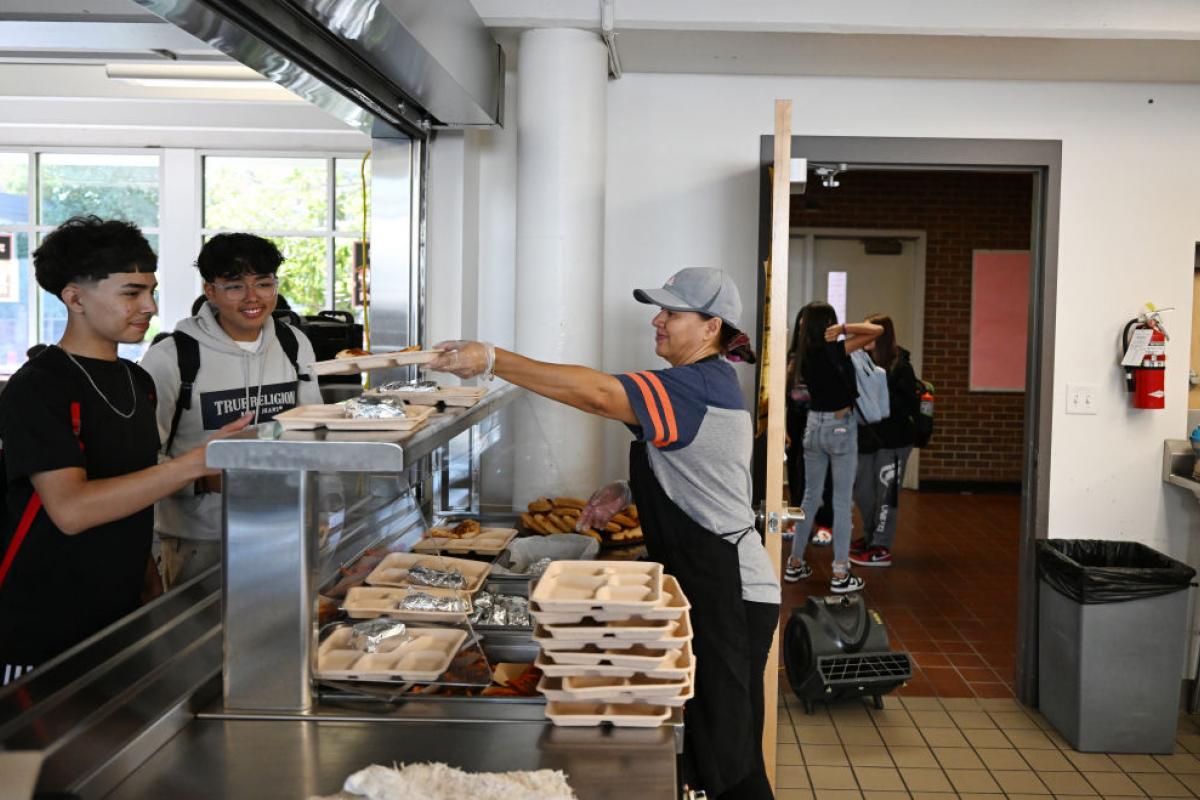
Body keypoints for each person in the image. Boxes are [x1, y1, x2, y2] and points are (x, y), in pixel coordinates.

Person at [428, 268, 780, 800]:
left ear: (711, 328)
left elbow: (596, 394)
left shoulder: (695, 385)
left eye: (672, 313)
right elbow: (703, 469)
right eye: (658, 310)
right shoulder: (700, 384)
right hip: (707, 585)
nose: (657, 321)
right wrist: (628, 490)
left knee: (730, 761)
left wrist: (494, 360)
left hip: (730, 591)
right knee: (709, 751)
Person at [0, 216, 248, 682]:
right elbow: (71, 510)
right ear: (74, 297)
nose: (150, 306)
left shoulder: (137, 381)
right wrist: (192, 464)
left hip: (116, 617)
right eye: (131, 293)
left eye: (151, 291)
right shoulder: (39, 388)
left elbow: (135, 501)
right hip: (38, 629)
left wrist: (151, 596)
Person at [140, 233, 321, 589]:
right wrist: (208, 478)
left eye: (264, 284)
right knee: (199, 640)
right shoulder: (172, 357)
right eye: (235, 286)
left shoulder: (293, 343)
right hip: (200, 540)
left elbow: (312, 429)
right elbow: (143, 463)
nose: (253, 298)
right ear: (210, 291)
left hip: (283, 527)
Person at [783, 302, 881, 593]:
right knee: (840, 502)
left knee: (809, 498)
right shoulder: (835, 350)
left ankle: (794, 563)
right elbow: (877, 332)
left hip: (813, 427)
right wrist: (845, 329)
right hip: (840, 427)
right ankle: (840, 573)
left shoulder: (800, 356)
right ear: (828, 324)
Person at [850, 315, 919, 568]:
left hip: (894, 442)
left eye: (870, 332)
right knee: (863, 491)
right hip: (869, 440)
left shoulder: (901, 366)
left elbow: (906, 405)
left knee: (886, 496)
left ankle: (881, 546)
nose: (864, 337)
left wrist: (879, 399)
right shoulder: (862, 361)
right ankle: (871, 537)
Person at [785, 310, 834, 545]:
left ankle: (825, 524)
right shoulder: (793, 355)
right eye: (801, 323)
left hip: (823, 420)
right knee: (796, 473)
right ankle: (798, 520)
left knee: (824, 476)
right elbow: (785, 394)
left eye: (808, 324)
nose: (803, 329)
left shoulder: (831, 354)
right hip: (796, 419)